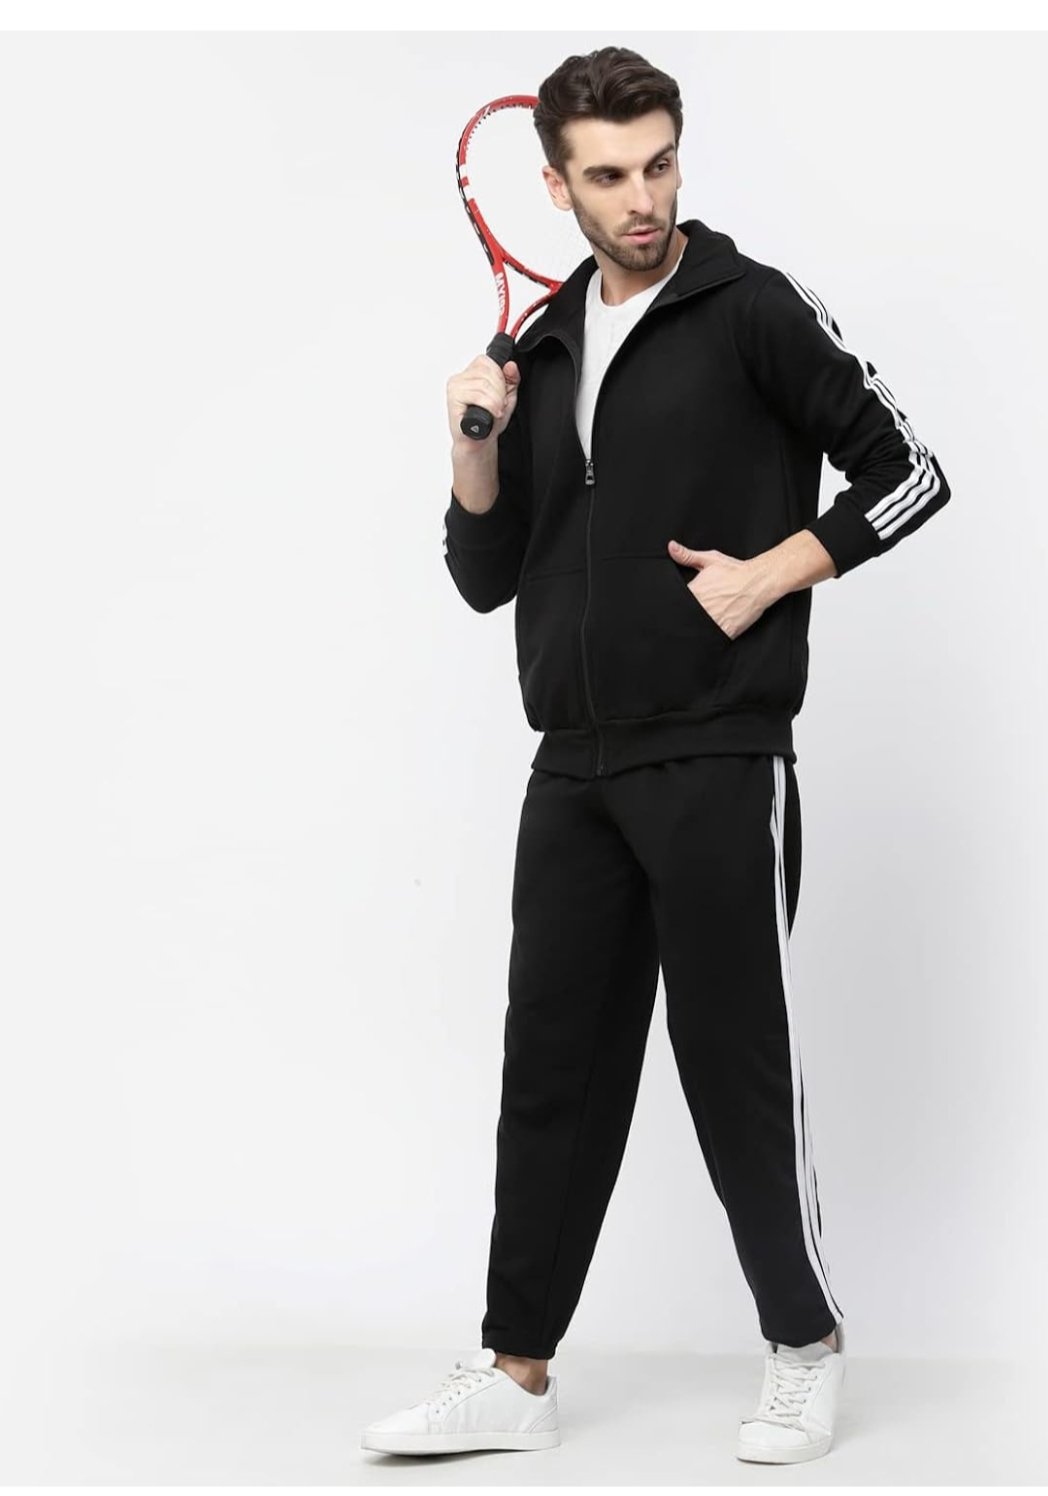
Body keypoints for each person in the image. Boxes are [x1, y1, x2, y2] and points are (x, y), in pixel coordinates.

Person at [362, 45, 951, 1465]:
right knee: (552, 1069)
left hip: (717, 753)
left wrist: (771, 574)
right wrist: (474, 451)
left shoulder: (751, 308)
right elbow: (488, 576)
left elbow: (911, 471)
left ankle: (803, 1346)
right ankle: (516, 1372)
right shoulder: (544, 344)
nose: (643, 198)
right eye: (611, 174)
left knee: (734, 1058)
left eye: (661, 163)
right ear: (555, 185)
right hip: (571, 765)